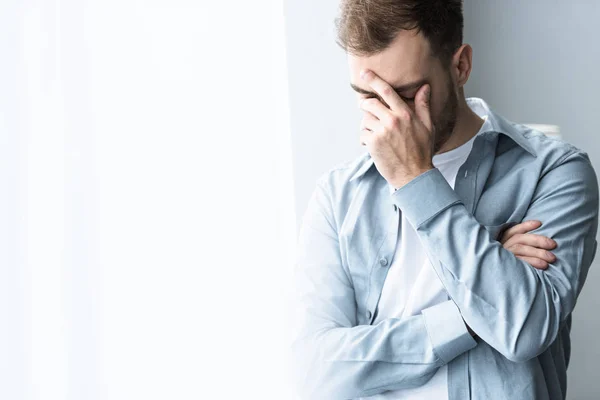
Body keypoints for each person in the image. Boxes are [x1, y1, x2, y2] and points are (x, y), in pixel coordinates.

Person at [288, 1, 599, 399]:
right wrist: (466, 317)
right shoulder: (338, 195)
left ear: (461, 66)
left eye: (403, 93)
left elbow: (524, 328)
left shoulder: (553, 171)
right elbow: (316, 374)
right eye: (368, 96)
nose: (390, 119)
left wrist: (415, 179)